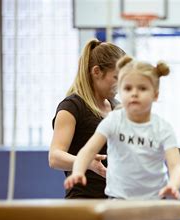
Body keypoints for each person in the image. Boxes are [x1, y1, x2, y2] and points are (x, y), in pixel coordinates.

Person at [64, 56, 180, 200]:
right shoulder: (114, 121)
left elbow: (175, 165)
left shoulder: (163, 128)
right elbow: (88, 151)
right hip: (119, 198)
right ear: (120, 91)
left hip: (153, 199)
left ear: (155, 95)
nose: (134, 93)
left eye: (142, 88)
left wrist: (173, 184)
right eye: (128, 88)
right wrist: (78, 171)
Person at [49, 39, 125, 198]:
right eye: (117, 77)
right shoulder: (72, 107)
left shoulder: (118, 107)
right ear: (96, 72)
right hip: (84, 202)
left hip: (117, 200)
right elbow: (55, 157)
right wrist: (86, 162)